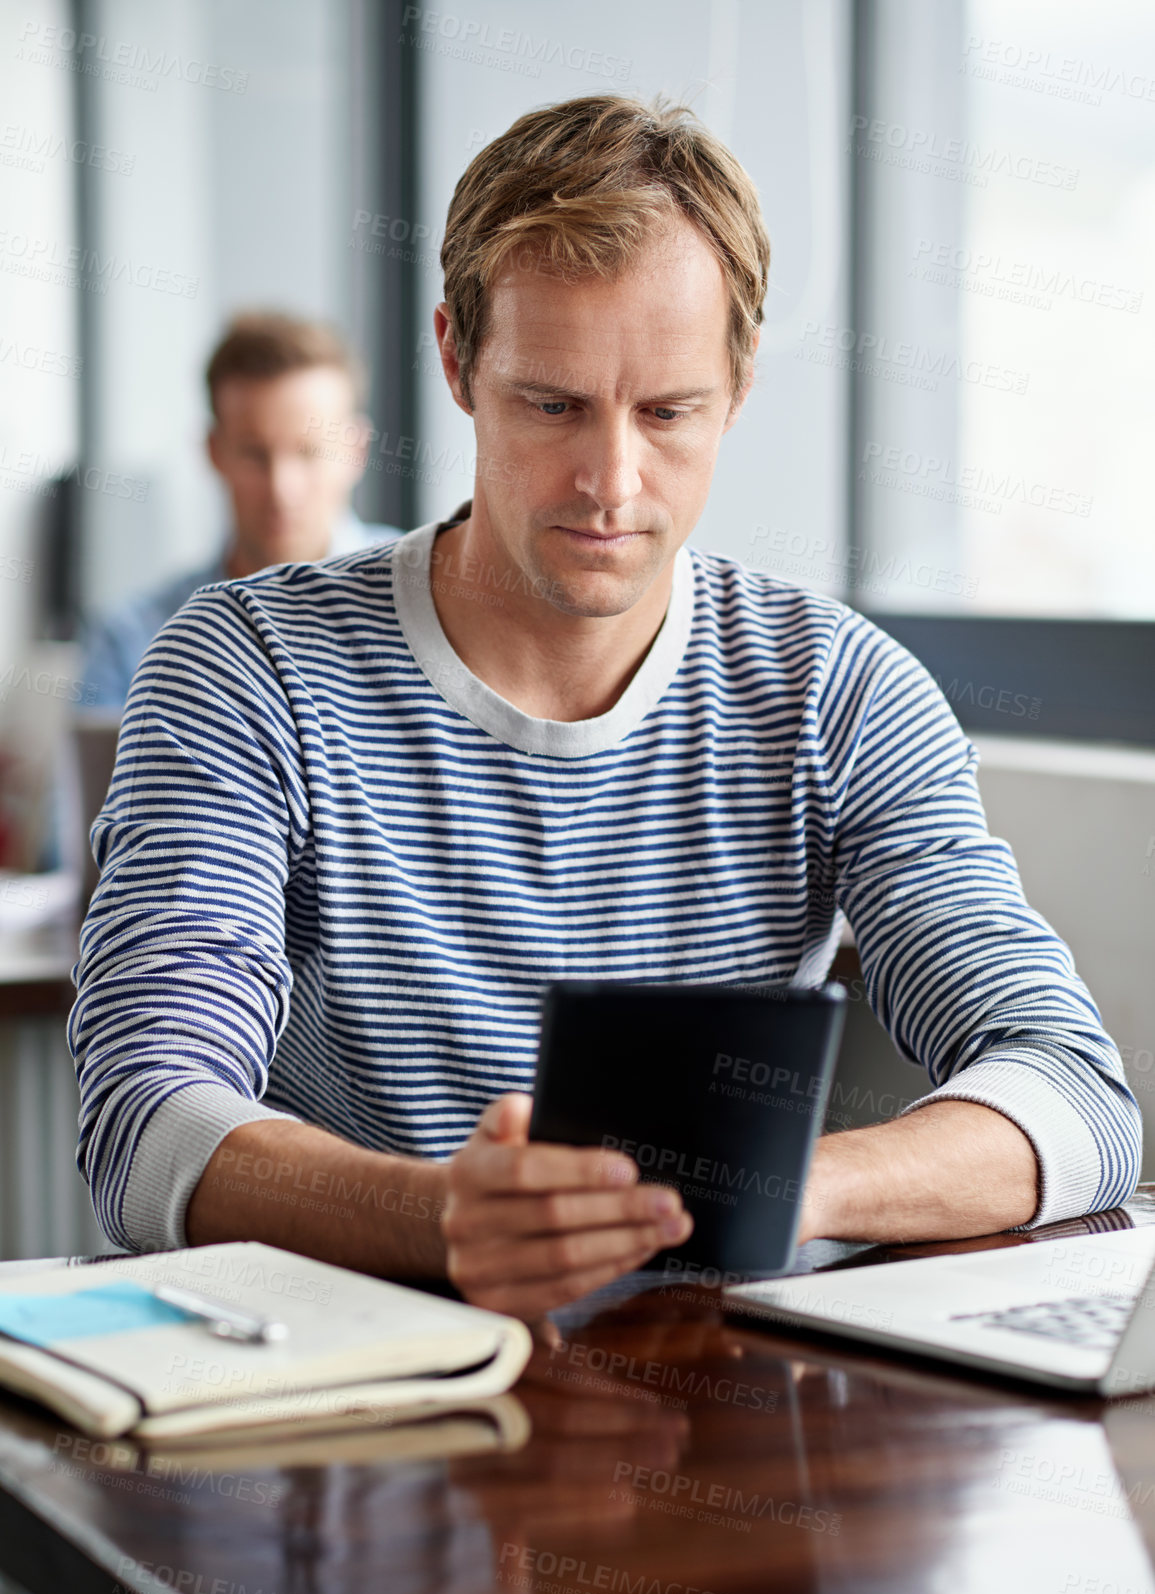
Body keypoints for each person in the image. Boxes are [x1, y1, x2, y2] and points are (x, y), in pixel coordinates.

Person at [71, 96, 1140, 1322]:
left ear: (738, 389)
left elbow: (1078, 1096)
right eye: (553, 404)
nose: (612, 485)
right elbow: (143, 1119)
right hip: (349, 1405)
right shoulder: (244, 668)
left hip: (706, 1412)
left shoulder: (839, 690)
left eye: (668, 412)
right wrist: (441, 1219)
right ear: (457, 362)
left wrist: (782, 1186)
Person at [78, 312, 398, 709]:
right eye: (254, 454)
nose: (282, 490)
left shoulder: (424, 600)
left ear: (357, 450)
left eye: (309, 452)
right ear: (214, 451)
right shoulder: (131, 639)